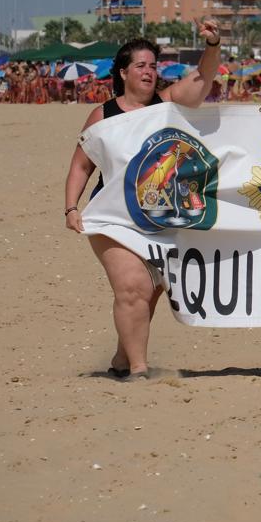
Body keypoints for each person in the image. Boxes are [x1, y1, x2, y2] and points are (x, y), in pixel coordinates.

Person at [63, 19, 223, 380]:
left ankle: (122, 359)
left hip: (163, 215)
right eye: (141, 65)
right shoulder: (102, 115)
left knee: (149, 291)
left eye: (153, 65)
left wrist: (212, 45)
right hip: (114, 215)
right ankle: (139, 369)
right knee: (133, 286)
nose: (149, 72)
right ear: (123, 72)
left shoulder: (168, 103)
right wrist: (71, 206)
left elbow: (202, 80)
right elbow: (80, 165)